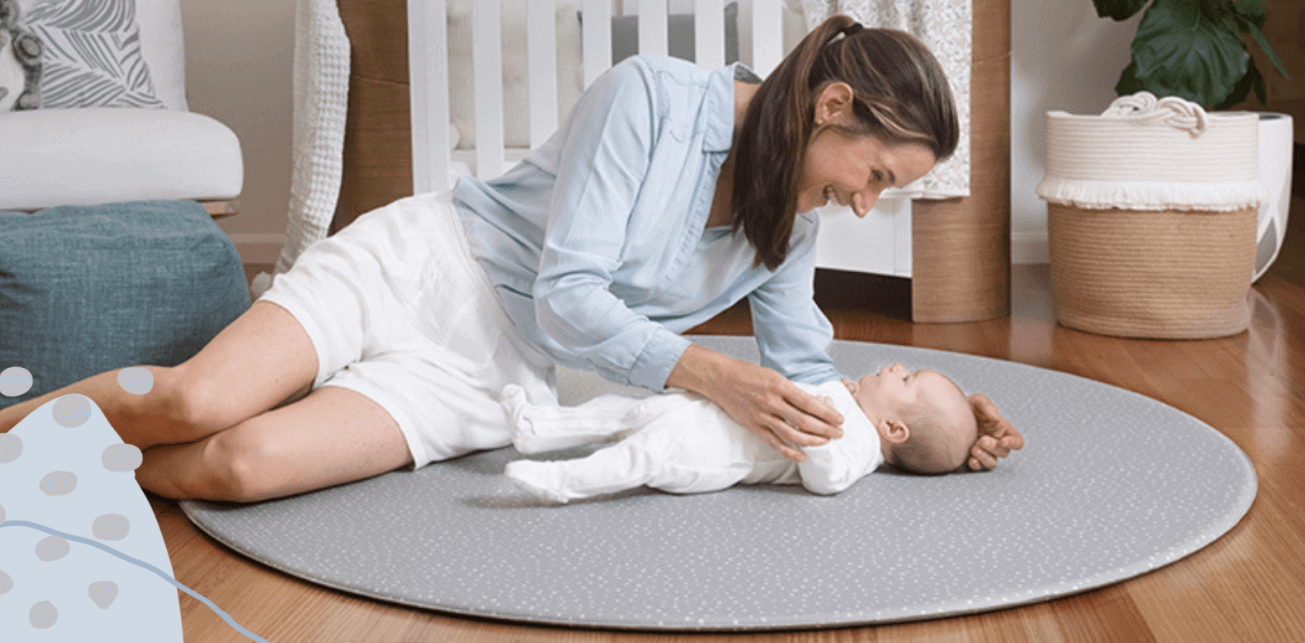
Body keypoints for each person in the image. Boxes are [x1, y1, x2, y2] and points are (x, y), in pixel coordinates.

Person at [0, 15, 1022, 503]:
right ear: (832, 105)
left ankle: (35, 481)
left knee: (241, 463)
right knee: (190, 404)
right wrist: (709, 368)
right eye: (879, 172)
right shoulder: (652, 97)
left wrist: (915, 428)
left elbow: (804, 357)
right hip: (431, 264)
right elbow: (572, 294)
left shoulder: (789, 218)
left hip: (494, 374)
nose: (867, 200)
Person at [499, 363, 988, 504]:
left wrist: (812, 434)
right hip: (707, 410)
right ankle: (540, 427)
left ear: (893, 429)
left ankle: (564, 482)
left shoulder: (855, 446)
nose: (897, 367)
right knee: (627, 413)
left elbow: (829, 479)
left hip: (710, 451)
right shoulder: (853, 403)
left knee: (638, 456)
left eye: (906, 380)